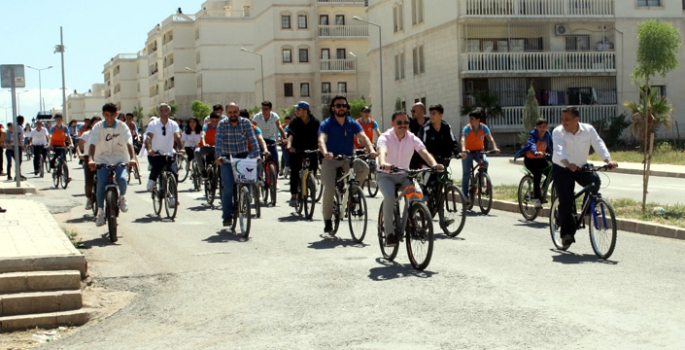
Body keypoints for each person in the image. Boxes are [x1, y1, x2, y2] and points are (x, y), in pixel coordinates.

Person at [377, 111, 444, 246]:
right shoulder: (385, 137)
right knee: (390, 197)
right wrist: (384, 163)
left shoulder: (412, 137)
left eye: (406, 122)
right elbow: (381, 152)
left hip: (404, 175)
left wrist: (434, 165)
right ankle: (389, 234)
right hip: (386, 175)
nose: (403, 125)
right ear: (393, 124)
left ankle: (408, 222)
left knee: (417, 195)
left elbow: (424, 152)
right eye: (399, 122)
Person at [552, 106, 617, 247]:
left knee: (595, 180)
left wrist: (608, 160)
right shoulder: (558, 132)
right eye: (562, 119)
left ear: (577, 119)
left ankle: (588, 207)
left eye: (567, 119)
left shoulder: (588, 130)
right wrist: (567, 164)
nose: (563, 122)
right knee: (566, 200)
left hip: (580, 166)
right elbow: (558, 150)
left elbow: (598, 143)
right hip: (562, 168)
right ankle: (566, 234)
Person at [318, 95, 377, 234]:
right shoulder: (327, 123)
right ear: (333, 108)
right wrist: (325, 152)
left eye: (343, 105)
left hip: (347, 159)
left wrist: (372, 150)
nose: (341, 108)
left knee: (364, 168)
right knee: (330, 188)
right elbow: (321, 139)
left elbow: (363, 137)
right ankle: (327, 220)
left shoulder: (352, 123)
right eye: (338, 105)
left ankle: (354, 193)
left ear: (347, 108)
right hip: (330, 160)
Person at [88, 104, 136, 227]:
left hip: (119, 156)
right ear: (103, 114)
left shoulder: (122, 126)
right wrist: (90, 159)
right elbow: (92, 144)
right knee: (101, 183)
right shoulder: (98, 127)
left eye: (112, 115)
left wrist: (132, 158)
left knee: (121, 179)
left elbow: (129, 142)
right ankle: (100, 211)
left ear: (116, 114)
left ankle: (122, 197)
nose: (109, 118)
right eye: (107, 115)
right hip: (102, 157)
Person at [215, 103, 261, 226]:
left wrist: (257, 154)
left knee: (248, 182)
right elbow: (218, 141)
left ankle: (245, 198)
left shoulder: (245, 122)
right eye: (230, 113)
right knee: (228, 188)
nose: (232, 115)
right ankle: (227, 216)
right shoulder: (222, 124)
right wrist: (218, 156)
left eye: (235, 112)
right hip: (226, 158)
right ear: (226, 113)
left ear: (238, 111)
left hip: (242, 156)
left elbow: (253, 139)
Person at [459, 109, 500, 204]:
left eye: (472, 119)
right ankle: (465, 196)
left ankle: (482, 176)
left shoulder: (484, 128)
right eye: (470, 118)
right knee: (466, 174)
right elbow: (463, 139)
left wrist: (495, 147)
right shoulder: (467, 128)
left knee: (485, 162)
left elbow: (490, 138)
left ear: (478, 120)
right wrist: (464, 149)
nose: (470, 120)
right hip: (468, 152)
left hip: (479, 151)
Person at [146, 104, 182, 202]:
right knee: (158, 165)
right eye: (161, 111)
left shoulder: (173, 124)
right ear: (159, 112)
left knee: (174, 173)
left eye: (166, 110)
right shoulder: (153, 124)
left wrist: (181, 148)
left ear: (169, 112)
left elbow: (177, 136)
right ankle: (152, 180)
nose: (164, 113)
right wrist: (149, 149)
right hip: (155, 153)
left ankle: (171, 196)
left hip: (169, 153)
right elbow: (149, 137)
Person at [286, 101, 320, 207]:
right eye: (296, 109)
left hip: (312, 148)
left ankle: (310, 183)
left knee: (313, 168)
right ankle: (294, 195)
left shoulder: (315, 122)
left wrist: (322, 147)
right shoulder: (294, 121)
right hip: (296, 149)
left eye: (299, 109)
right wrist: (289, 145)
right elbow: (291, 134)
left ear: (306, 111)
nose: (296, 111)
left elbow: (320, 135)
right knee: (295, 171)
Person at [514, 118, 554, 208]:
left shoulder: (548, 135)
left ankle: (542, 189)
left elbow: (552, 146)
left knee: (552, 172)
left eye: (544, 127)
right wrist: (535, 151)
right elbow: (531, 144)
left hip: (541, 159)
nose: (542, 129)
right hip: (530, 160)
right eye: (540, 127)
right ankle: (536, 200)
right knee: (538, 175)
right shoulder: (533, 134)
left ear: (547, 127)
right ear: (536, 127)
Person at [253, 101, 286, 176]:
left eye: (266, 109)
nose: (264, 111)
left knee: (275, 159)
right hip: (260, 140)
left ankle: (275, 179)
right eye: (263, 109)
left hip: (271, 140)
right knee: (258, 159)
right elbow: (252, 129)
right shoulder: (257, 117)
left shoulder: (274, 116)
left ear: (271, 109)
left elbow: (280, 127)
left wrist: (285, 138)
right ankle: (259, 176)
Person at [78, 116, 101, 210]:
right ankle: (88, 198)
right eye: (94, 123)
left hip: (102, 158)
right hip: (89, 158)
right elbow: (79, 145)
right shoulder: (86, 134)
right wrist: (80, 154)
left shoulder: (104, 134)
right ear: (91, 125)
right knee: (89, 181)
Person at [195, 112, 221, 180]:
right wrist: (204, 143)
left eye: (216, 121)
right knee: (196, 152)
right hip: (206, 147)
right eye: (212, 121)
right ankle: (203, 171)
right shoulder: (206, 126)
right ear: (210, 120)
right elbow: (203, 135)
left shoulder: (221, 127)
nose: (214, 123)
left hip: (216, 148)